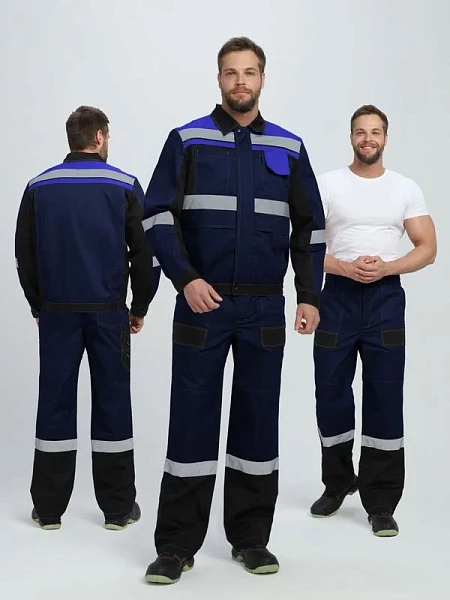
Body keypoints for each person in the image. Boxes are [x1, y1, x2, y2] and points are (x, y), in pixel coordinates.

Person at [142, 36, 325, 584]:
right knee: (191, 422)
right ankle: (176, 546)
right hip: (203, 304)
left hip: (264, 309)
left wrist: (309, 294)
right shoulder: (188, 140)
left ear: (263, 78)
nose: (240, 81)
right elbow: (156, 216)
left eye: (249, 72)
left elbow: (310, 228)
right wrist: (186, 278)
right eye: (230, 72)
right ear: (218, 79)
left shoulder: (290, 147)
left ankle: (250, 539)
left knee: (257, 423)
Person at [15, 106, 155, 531]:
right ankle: (117, 509)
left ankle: (48, 510)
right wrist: (139, 306)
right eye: (107, 137)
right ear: (98, 137)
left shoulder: (39, 186)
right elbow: (145, 254)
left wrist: (38, 305)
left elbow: (25, 256)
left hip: (57, 314)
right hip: (108, 314)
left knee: (54, 401)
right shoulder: (124, 185)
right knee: (113, 403)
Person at [310, 104, 437, 536]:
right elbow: (304, 246)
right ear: (351, 137)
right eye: (361, 132)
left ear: (385, 138)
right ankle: (338, 482)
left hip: (385, 300)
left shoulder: (404, 188)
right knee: (330, 392)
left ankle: (381, 502)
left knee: (384, 395)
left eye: (376, 132)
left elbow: (427, 247)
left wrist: (387, 267)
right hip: (336, 298)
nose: (368, 139)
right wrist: (345, 268)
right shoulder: (328, 184)